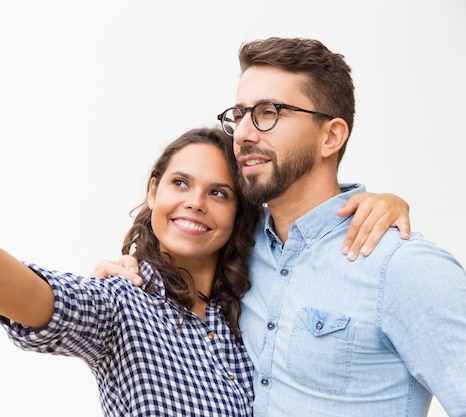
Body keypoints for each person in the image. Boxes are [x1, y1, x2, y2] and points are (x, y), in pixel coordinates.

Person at [0, 115, 410, 416]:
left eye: (218, 193)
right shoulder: (122, 303)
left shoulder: (259, 311)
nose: (195, 203)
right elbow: (30, 294)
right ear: (153, 192)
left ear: (239, 213)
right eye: (180, 183)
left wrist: (380, 203)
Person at [101, 37, 466, 417]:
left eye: (269, 112)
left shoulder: (403, 269)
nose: (242, 133)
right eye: (240, 114)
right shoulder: (243, 247)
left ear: (331, 136)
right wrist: (128, 268)